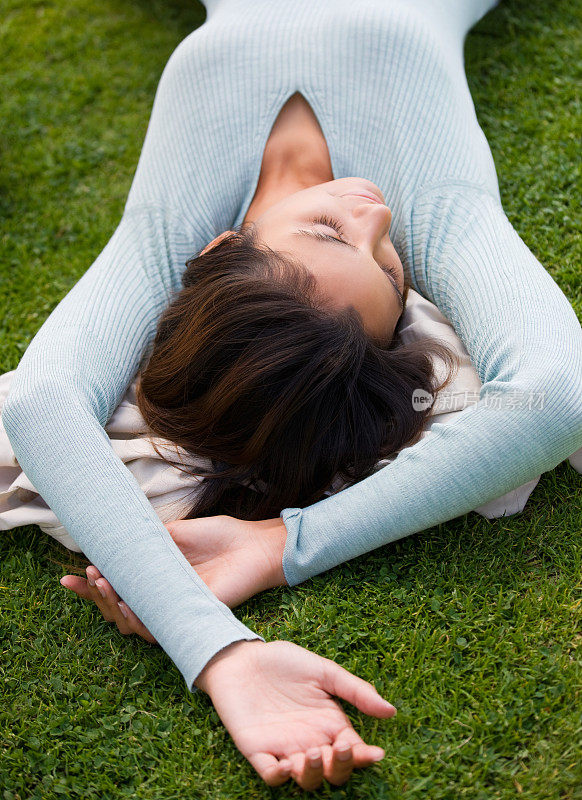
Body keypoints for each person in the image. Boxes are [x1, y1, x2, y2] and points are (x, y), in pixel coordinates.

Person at [3, 0, 581, 791]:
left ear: (222, 251)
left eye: (329, 233)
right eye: (390, 268)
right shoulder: (433, 205)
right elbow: (554, 397)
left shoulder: (175, 230)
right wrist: (277, 549)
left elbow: (39, 402)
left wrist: (228, 629)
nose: (376, 213)